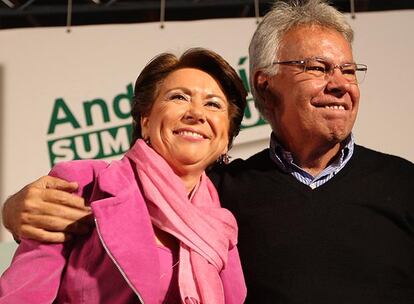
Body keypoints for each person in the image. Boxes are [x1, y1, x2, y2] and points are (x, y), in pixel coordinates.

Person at [3, 0, 414, 302]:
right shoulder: (223, 189)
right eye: (318, 68)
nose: (340, 83)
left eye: (347, 70)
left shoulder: (405, 182)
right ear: (266, 87)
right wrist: (14, 209)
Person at [0, 48, 247, 304]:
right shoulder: (82, 185)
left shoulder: (223, 228)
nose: (196, 114)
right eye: (179, 97)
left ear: (226, 138)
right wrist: (10, 209)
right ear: (145, 120)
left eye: (213, 104)